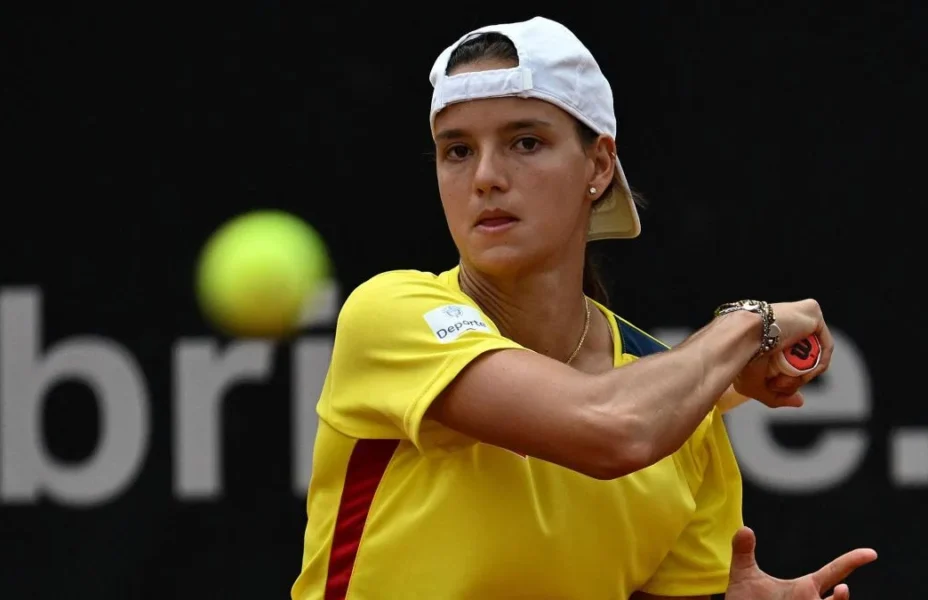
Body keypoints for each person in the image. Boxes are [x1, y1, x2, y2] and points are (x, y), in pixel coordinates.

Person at [292, 16, 876, 600]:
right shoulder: (391, 313)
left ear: (598, 165)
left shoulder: (682, 417)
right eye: (458, 150)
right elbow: (613, 429)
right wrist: (750, 324)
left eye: (525, 142)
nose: (486, 177)